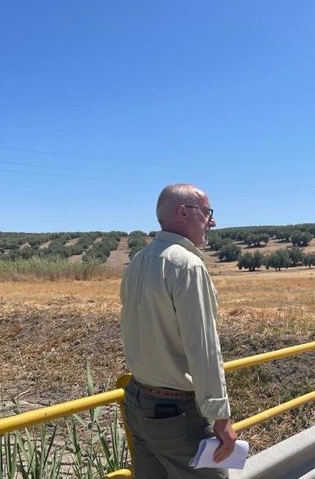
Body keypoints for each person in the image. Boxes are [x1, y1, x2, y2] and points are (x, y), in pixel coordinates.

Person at [120, 183, 237, 479]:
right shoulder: (186, 266)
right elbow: (204, 348)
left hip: (137, 401)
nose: (212, 221)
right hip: (177, 413)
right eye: (207, 212)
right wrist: (220, 416)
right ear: (184, 212)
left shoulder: (138, 261)